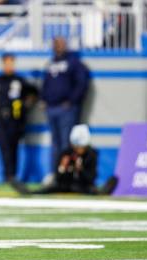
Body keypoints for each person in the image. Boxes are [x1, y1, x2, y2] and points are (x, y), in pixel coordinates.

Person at [41, 37, 90, 174]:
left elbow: (81, 83)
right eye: (56, 43)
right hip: (51, 108)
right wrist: (44, 99)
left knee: (66, 143)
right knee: (55, 144)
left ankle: (67, 174)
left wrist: (71, 101)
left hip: (66, 109)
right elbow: (46, 84)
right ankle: (55, 174)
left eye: (61, 43)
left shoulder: (74, 63)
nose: (58, 46)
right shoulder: (51, 63)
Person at [0, 53, 37, 189]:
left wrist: (25, 106)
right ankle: (7, 175)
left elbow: (33, 94)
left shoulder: (20, 80)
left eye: (11, 62)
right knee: (4, 148)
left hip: (15, 120)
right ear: (3, 63)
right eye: (7, 62)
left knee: (13, 147)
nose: (9, 65)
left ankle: (13, 176)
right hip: (0, 120)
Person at [35, 124, 117, 195]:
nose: (79, 149)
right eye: (76, 146)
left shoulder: (91, 154)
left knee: (94, 191)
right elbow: (58, 178)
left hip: (83, 186)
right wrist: (62, 168)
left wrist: (81, 170)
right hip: (66, 185)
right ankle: (31, 192)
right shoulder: (66, 153)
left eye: (82, 147)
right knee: (49, 188)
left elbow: (91, 178)